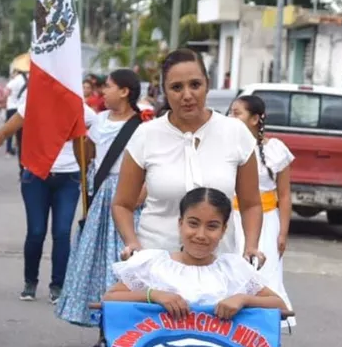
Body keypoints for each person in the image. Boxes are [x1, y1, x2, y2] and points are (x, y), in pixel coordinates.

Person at [111, 48, 265, 266]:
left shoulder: (236, 133)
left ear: (207, 84)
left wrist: (251, 248)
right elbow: (122, 204)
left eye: (195, 85)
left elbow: (251, 204)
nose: (187, 95)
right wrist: (132, 243)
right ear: (164, 90)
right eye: (176, 87)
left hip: (218, 263)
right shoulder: (146, 135)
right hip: (157, 262)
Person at [0, 98, 97, 304]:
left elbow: (97, 137)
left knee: (62, 232)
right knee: (36, 231)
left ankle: (58, 286)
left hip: (69, 178)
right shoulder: (33, 101)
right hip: (36, 176)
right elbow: (4, 132)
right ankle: (30, 282)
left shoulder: (78, 106)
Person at [104, 188, 288, 322]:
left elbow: (279, 305)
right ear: (180, 223)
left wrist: (243, 299)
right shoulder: (154, 264)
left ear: (224, 230)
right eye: (193, 224)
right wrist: (153, 295)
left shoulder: (232, 270)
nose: (201, 235)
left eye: (212, 226)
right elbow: (110, 298)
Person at [56, 69, 147, 334]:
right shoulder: (100, 120)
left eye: (108, 87)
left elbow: (151, 165)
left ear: (124, 91)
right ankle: (103, 324)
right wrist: (77, 136)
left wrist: (141, 195)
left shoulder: (142, 127)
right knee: (96, 257)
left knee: (124, 258)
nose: (102, 92)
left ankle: (124, 324)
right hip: (102, 193)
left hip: (128, 192)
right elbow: (88, 157)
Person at [229, 95, 295, 324]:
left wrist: (283, 232)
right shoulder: (226, 147)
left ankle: (265, 328)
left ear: (255, 118)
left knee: (264, 275)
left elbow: (284, 195)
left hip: (266, 220)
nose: (231, 118)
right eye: (230, 113)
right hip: (231, 220)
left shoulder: (275, 149)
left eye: (237, 113)